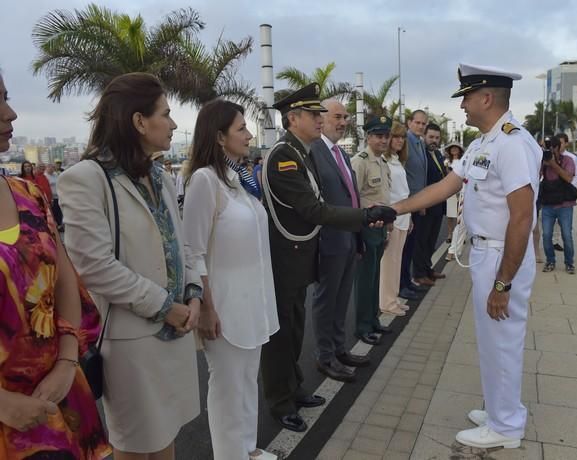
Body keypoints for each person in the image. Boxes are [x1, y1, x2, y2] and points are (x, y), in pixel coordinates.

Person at [392, 63, 541, 449]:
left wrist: (503, 284)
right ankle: (499, 410)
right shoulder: (482, 143)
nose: (462, 107)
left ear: (487, 98)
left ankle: (506, 428)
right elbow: (446, 185)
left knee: (503, 338)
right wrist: (396, 209)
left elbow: (522, 218)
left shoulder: (513, 143)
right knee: (492, 340)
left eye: (467, 98)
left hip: (500, 256)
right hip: (484, 254)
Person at [58, 73, 203, 460]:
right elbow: (95, 266)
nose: (173, 124)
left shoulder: (160, 175)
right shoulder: (86, 178)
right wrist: (164, 306)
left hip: (175, 331)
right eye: (166, 114)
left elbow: (180, 242)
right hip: (132, 341)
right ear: (139, 121)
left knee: (166, 435)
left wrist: (193, 293)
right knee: (137, 444)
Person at [259, 83, 396, 433]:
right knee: (281, 336)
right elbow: (312, 209)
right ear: (293, 118)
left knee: (295, 328)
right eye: (313, 113)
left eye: (321, 113)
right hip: (285, 258)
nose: (320, 119)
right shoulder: (284, 155)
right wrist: (365, 217)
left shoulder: (301, 152)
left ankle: (294, 389)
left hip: (300, 255)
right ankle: (280, 402)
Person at [0, 71, 111, 459]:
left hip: (60, 400)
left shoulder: (28, 195)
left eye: (7, 97)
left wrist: (66, 362)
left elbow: (65, 281)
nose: (10, 113)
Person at [183, 99, 278, 460]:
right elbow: (192, 251)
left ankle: (248, 450)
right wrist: (206, 307)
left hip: (252, 299)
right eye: (241, 128)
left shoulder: (240, 180)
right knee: (226, 386)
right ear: (219, 136)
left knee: (247, 378)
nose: (249, 135)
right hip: (222, 303)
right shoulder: (205, 181)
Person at [310, 99, 370, 383]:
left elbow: (351, 197)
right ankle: (325, 357)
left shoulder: (342, 155)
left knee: (342, 298)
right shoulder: (313, 151)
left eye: (345, 117)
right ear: (321, 117)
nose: (343, 121)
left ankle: (339, 349)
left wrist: (358, 234)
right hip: (328, 240)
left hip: (348, 239)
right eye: (337, 116)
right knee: (326, 301)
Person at [352, 116, 394, 345]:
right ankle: (362, 327)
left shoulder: (381, 161)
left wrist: (387, 225)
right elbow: (353, 197)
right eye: (379, 136)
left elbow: (383, 197)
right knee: (365, 279)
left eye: (386, 136)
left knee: (375, 277)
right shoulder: (361, 161)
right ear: (368, 137)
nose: (384, 140)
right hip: (366, 227)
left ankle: (373, 320)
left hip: (380, 227)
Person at [380, 121, 412, 315]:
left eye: (402, 137)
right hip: (392, 217)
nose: (400, 140)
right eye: (396, 136)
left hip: (404, 217)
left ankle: (393, 297)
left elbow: (404, 192)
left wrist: (410, 217)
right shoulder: (384, 162)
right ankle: (386, 302)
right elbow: (386, 194)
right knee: (388, 262)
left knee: (396, 261)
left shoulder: (397, 161)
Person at [411, 123, 447, 285]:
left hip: (438, 205)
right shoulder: (422, 154)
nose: (434, 140)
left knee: (431, 240)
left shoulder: (438, 154)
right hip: (425, 205)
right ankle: (419, 274)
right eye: (431, 137)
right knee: (421, 241)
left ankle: (428, 269)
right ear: (424, 137)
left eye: (437, 138)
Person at [399, 110, 428, 299]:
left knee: (410, 246)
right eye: (417, 123)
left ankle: (407, 281)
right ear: (409, 122)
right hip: (407, 202)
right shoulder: (406, 141)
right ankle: (401, 285)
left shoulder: (420, 143)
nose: (421, 126)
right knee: (403, 248)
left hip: (418, 202)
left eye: (424, 124)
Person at [540, 135, 577, 274]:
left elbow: (568, 178)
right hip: (548, 204)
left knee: (566, 235)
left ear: (557, 148)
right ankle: (550, 261)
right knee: (546, 235)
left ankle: (569, 263)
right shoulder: (543, 161)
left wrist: (553, 164)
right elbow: (535, 177)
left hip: (565, 204)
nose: (548, 150)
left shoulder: (568, 160)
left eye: (550, 148)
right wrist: (542, 163)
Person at [551, 133, 577, 252]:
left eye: (562, 142)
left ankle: (564, 243)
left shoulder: (571, 158)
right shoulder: (550, 157)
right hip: (552, 194)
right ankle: (554, 241)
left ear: (566, 144)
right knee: (550, 221)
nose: (559, 145)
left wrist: (571, 191)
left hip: (565, 194)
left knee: (564, 223)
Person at [444, 142, 465, 261]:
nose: (454, 150)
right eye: (452, 148)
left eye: (456, 148)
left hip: (465, 192)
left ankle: (456, 249)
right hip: (454, 191)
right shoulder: (447, 162)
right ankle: (452, 250)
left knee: (463, 224)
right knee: (458, 221)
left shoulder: (464, 161)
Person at [45, 162, 64, 229]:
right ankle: (54, 227)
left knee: (59, 212)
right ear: (47, 167)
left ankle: (59, 225)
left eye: (53, 167)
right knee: (53, 212)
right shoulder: (45, 176)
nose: (53, 168)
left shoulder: (56, 174)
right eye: (51, 167)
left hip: (58, 196)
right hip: (51, 198)